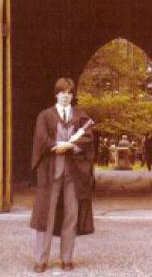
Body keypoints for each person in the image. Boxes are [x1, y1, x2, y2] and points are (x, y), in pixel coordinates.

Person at [30, 77, 95, 273]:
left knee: (71, 216)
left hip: (73, 174)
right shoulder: (45, 115)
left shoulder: (81, 116)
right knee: (45, 216)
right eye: (62, 92)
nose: (65, 96)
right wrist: (54, 146)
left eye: (69, 92)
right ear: (56, 94)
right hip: (51, 172)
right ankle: (41, 259)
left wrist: (74, 146)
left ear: (72, 95)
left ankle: (67, 258)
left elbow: (88, 139)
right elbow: (41, 138)